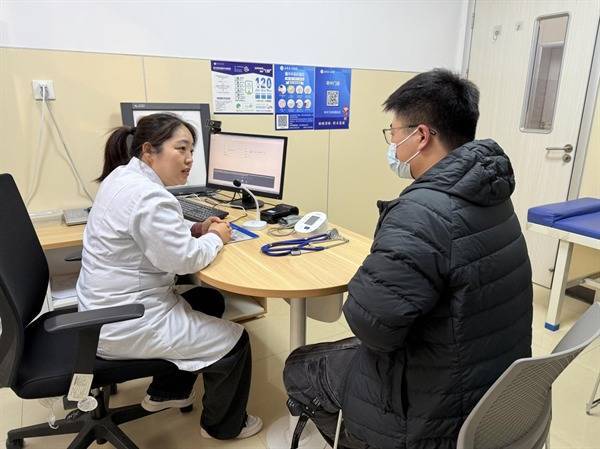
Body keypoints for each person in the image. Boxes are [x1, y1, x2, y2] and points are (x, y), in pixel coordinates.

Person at [283, 69, 533, 449]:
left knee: (300, 367)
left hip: (435, 413)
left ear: (421, 136)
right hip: (498, 394)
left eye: (395, 133)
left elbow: (371, 326)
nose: (393, 144)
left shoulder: (422, 212)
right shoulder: (491, 194)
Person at [76, 113, 262, 440]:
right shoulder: (149, 196)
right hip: (128, 321)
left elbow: (150, 231)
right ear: (149, 150)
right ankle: (224, 426)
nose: (190, 159)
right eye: (181, 148)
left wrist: (195, 228)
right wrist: (216, 236)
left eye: (192, 150)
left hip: (103, 312)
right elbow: (184, 260)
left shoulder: (123, 177)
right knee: (236, 341)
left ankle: (168, 391)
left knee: (207, 299)